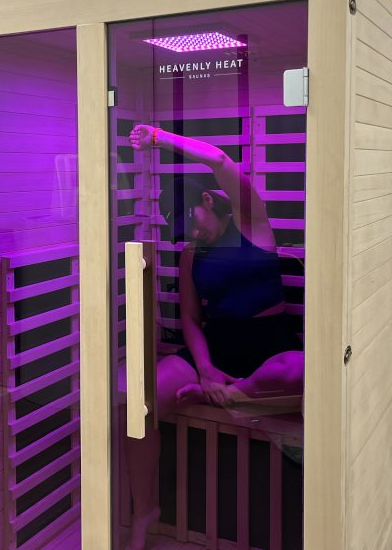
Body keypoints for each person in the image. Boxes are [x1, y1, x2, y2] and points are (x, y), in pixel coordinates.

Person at [124, 124, 304, 550]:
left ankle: (236, 395)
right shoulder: (191, 253)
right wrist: (204, 369)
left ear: (208, 201)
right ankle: (144, 509)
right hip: (214, 345)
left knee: (300, 370)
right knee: (141, 402)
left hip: (268, 344)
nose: (190, 232)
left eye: (191, 220)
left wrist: (159, 138)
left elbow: (220, 160)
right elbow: (189, 316)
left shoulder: (252, 224)